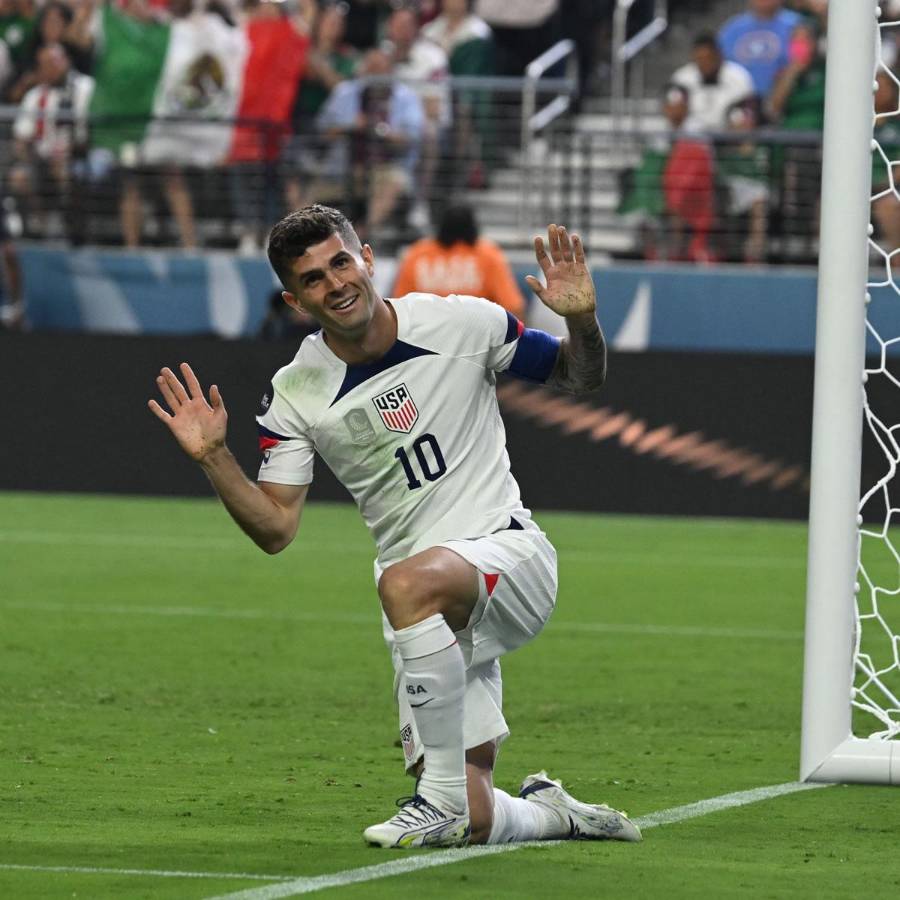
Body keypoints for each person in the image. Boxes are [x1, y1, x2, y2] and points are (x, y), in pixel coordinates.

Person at [148, 204, 642, 849]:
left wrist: (581, 319)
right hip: (422, 614)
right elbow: (274, 528)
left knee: (405, 586)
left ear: (368, 258)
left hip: (507, 555)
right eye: (314, 279)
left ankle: (432, 801)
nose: (336, 283)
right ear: (293, 300)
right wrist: (215, 458)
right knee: (478, 813)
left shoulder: (463, 322)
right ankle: (553, 814)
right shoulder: (296, 391)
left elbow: (582, 375)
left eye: (341, 262)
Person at [393, 203, 525, 318]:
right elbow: (513, 307)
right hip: (477, 338)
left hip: (423, 338)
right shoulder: (488, 254)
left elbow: (399, 307)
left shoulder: (417, 253)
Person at [670, 33, 755, 134]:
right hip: (692, 137)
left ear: (719, 56)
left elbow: (748, 111)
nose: (704, 64)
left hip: (729, 135)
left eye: (708, 58)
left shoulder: (739, 77)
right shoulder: (682, 78)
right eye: (699, 59)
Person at [718, 0, 801, 102]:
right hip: (739, 102)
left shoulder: (797, 25)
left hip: (788, 101)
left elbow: (800, 63)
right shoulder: (732, 29)